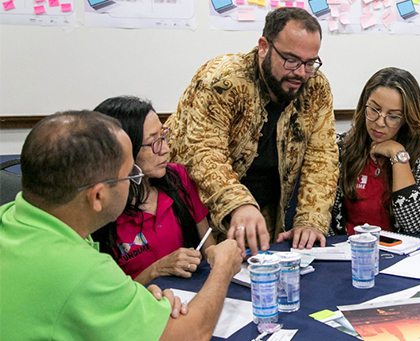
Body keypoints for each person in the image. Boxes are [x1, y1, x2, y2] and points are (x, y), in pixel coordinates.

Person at [0, 111, 242, 340]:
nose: (136, 183)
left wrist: (130, 304)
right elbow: (191, 333)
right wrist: (223, 267)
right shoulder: (83, 272)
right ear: (98, 197)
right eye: (130, 175)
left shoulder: (11, 216)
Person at [166, 7, 338, 258]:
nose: (301, 73)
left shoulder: (316, 87)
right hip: (196, 216)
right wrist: (239, 203)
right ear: (264, 47)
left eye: (310, 63)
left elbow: (322, 157)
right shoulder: (223, 80)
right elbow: (204, 152)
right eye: (291, 60)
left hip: (262, 214)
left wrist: (311, 219)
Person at [91, 96, 216, 285]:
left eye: (163, 136)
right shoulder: (103, 208)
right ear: (124, 150)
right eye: (152, 142)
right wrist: (156, 270)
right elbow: (107, 299)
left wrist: (219, 256)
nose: (165, 149)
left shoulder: (178, 178)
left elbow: (208, 246)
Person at [326, 67, 420, 235]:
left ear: (407, 119)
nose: (380, 122)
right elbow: (323, 216)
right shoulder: (339, 146)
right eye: (374, 110)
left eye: (393, 116)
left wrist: (398, 155)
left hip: (399, 252)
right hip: (347, 248)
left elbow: (415, 224)